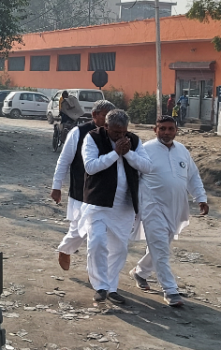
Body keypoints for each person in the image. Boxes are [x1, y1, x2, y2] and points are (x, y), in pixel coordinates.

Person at [129, 115, 209, 307]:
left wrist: (201, 198)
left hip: (176, 208)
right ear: (155, 130)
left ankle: (140, 272)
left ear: (176, 130)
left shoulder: (182, 150)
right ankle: (170, 290)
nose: (166, 132)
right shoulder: (145, 150)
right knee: (161, 250)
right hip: (152, 207)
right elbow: (131, 179)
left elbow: (193, 177)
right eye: (162, 128)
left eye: (170, 129)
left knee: (161, 246)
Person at [80, 109, 151, 305]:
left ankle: (111, 287)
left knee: (119, 249)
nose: (121, 136)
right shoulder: (93, 138)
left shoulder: (133, 141)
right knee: (96, 244)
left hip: (124, 206)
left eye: (123, 132)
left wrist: (128, 154)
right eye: (116, 132)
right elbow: (91, 167)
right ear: (106, 127)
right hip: (97, 203)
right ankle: (100, 286)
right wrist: (115, 153)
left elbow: (147, 166)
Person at [51, 100, 116, 271]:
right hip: (81, 191)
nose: (109, 120)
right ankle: (65, 248)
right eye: (105, 116)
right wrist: (56, 186)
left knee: (99, 236)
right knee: (79, 230)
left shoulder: (115, 134)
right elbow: (64, 161)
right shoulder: (78, 133)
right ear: (95, 115)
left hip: (105, 194)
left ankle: (96, 274)